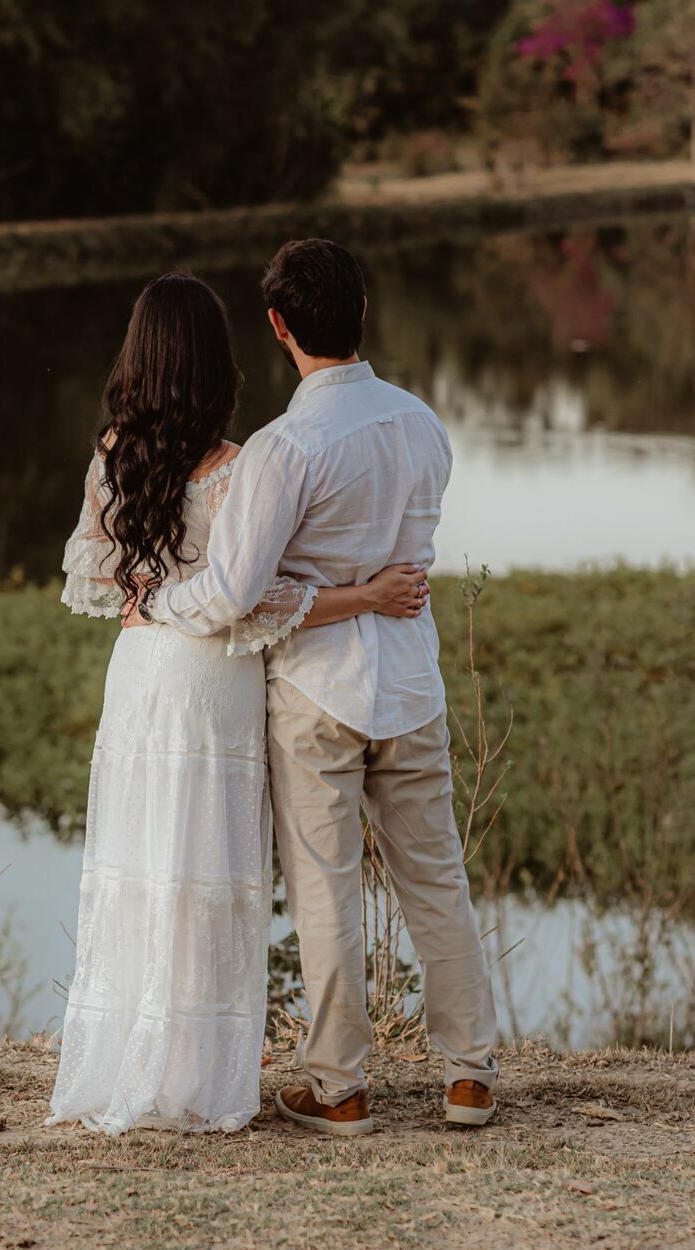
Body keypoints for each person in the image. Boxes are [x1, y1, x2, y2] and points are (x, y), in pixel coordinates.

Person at [47, 271, 429, 1135]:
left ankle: (132, 1061)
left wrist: (144, 589)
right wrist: (366, 597)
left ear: (137, 360)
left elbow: (87, 566)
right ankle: (194, 1074)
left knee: (145, 864)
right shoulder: (238, 467)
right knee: (208, 874)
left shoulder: (113, 453)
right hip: (213, 681)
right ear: (219, 363)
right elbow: (250, 601)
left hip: (142, 671)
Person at [132, 239, 500, 1136]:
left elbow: (230, 593)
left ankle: (341, 1088)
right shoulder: (422, 423)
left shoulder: (283, 448)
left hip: (316, 693)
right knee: (437, 881)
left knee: (325, 890)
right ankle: (470, 1077)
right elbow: (410, 548)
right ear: (363, 314)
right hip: (412, 683)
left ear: (279, 327)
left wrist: (156, 601)